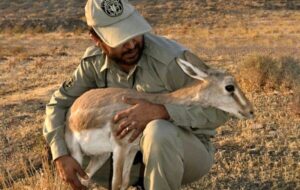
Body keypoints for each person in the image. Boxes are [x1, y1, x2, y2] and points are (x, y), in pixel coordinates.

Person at [43, 0, 229, 189]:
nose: (131, 44)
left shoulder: (171, 59)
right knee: (68, 138)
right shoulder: (93, 63)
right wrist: (60, 154)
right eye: (120, 39)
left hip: (186, 151)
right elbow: (58, 104)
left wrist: (163, 111)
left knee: (158, 130)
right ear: (96, 39)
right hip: (130, 157)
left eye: (133, 33)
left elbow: (221, 106)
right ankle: (144, 181)